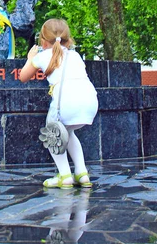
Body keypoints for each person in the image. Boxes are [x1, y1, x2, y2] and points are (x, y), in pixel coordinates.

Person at [20, 18, 98, 189]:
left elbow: (23, 77)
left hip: (66, 103)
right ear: (68, 39)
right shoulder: (75, 55)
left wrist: (30, 58)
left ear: (42, 40)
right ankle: (82, 173)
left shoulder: (41, 57)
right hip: (90, 101)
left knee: (52, 135)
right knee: (68, 133)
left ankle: (65, 175)